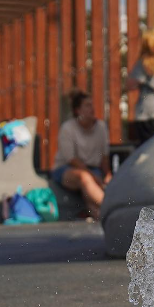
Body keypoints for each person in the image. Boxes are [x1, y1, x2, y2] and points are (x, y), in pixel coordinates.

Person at [51, 91, 111, 220]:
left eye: (92, 105)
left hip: (92, 170)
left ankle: (101, 219)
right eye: (87, 105)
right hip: (66, 169)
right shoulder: (67, 128)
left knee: (89, 194)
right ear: (78, 110)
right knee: (85, 178)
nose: (92, 108)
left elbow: (104, 156)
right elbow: (71, 159)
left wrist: (107, 175)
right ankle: (110, 206)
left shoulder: (101, 127)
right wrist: (92, 175)